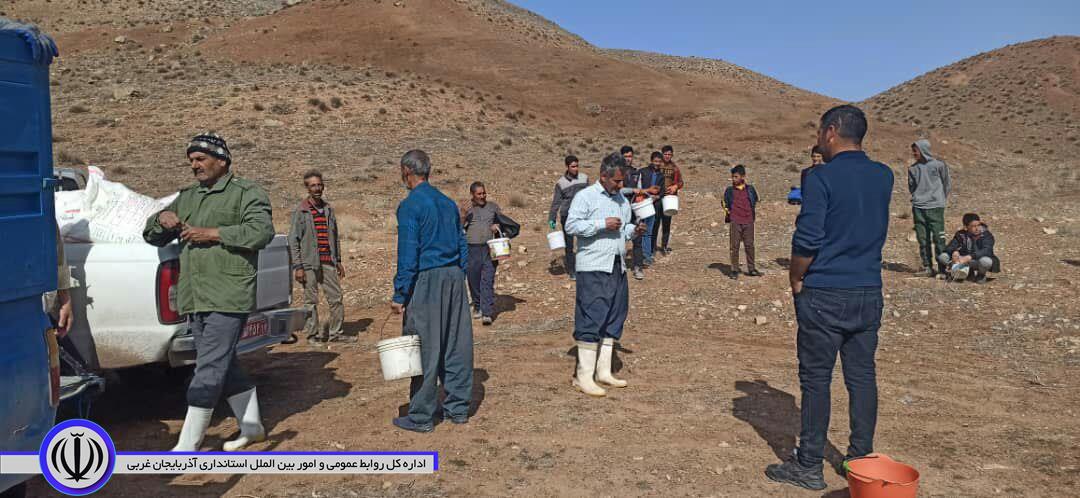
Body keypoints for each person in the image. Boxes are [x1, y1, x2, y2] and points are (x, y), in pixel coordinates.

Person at [766, 105, 894, 491]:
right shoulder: (884, 175)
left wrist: (795, 276)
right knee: (862, 376)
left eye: (821, 131)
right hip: (868, 290)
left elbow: (808, 237)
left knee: (816, 379)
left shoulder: (820, 178)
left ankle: (808, 465)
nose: (819, 138)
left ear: (833, 131)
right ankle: (859, 458)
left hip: (825, 291)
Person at [143, 133, 275, 452]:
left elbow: (262, 231)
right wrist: (161, 219)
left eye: (201, 159)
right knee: (222, 363)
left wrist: (214, 234)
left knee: (208, 367)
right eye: (191, 160)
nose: (195, 165)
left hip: (229, 293)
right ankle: (252, 427)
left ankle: (188, 444)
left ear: (222, 160)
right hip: (196, 296)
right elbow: (151, 234)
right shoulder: (187, 196)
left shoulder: (247, 193)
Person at [391, 149, 474, 433]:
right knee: (456, 343)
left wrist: (400, 293)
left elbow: (408, 254)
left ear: (406, 171)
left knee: (425, 345)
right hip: (454, 278)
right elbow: (462, 244)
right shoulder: (448, 203)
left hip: (427, 279)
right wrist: (458, 274)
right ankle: (458, 409)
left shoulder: (411, 205)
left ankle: (421, 416)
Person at [565, 152, 646, 397]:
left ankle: (603, 372)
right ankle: (583, 376)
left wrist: (634, 230)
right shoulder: (585, 197)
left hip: (617, 265)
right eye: (617, 181)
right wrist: (601, 224)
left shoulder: (621, 200)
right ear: (603, 176)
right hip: (593, 267)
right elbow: (571, 225)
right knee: (591, 315)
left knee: (614, 316)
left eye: (623, 181)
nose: (621, 186)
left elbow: (623, 229)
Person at [288, 170, 348, 344]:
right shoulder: (302, 211)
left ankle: (336, 333)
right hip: (309, 263)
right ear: (307, 188)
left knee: (336, 298)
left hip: (328, 261)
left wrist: (338, 261)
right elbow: (294, 240)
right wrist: (297, 267)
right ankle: (312, 335)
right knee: (310, 301)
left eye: (319, 184)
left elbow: (334, 237)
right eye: (313, 185)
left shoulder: (328, 209)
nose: (317, 188)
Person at [461, 181, 503, 325]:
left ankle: (487, 312)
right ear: (472, 194)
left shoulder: (493, 208)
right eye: (479, 194)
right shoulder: (467, 210)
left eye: (484, 193)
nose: (483, 196)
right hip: (471, 249)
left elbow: (503, 223)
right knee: (473, 279)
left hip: (489, 248)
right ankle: (478, 305)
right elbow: (457, 229)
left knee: (488, 279)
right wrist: (462, 215)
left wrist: (497, 226)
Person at [908, 139, 951, 277]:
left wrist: (940, 199)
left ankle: (943, 269)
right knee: (923, 238)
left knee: (939, 239)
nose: (914, 153)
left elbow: (946, 184)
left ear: (924, 149)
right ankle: (928, 267)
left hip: (936, 207)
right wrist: (918, 198)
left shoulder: (939, 165)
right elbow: (912, 187)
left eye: (916, 150)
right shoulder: (912, 169)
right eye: (913, 150)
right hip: (918, 207)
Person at [548, 155, 589, 280]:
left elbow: (590, 195)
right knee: (569, 244)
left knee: (585, 241)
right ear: (567, 167)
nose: (576, 169)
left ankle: (585, 267)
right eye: (573, 166)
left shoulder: (584, 178)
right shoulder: (561, 183)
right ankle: (572, 270)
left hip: (583, 215)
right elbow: (556, 202)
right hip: (567, 216)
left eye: (577, 166)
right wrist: (552, 218)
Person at [627, 151, 664, 279]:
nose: (657, 163)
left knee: (648, 231)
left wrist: (657, 197)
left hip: (653, 206)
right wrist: (645, 195)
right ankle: (639, 257)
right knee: (639, 231)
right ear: (651, 160)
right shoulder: (642, 172)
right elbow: (639, 188)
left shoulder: (661, 175)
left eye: (659, 161)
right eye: (655, 161)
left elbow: (662, 190)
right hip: (641, 205)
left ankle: (647, 256)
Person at [721, 164, 762, 279]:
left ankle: (751, 269)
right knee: (734, 246)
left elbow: (755, 200)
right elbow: (724, 202)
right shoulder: (729, 191)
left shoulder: (750, 189)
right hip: (735, 221)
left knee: (749, 245)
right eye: (733, 177)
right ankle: (734, 269)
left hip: (748, 221)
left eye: (736, 177)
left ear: (743, 177)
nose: (733, 179)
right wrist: (728, 212)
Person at [938, 213, 1000, 284]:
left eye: (978, 225)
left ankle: (981, 275)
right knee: (943, 257)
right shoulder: (961, 234)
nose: (977, 228)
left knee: (986, 261)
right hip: (962, 260)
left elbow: (986, 250)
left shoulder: (986, 235)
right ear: (966, 227)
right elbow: (950, 246)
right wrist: (954, 251)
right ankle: (965, 272)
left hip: (976, 261)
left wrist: (969, 257)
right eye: (973, 226)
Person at [653, 145, 684, 255]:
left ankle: (664, 246)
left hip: (669, 199)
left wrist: (675, 187)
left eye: (669, 154)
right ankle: (652, 247)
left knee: (666, 223)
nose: (667, 156)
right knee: (655, 222)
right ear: (662, 154)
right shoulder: (656, 165)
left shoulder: (674, 167)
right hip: (657, 198)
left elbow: (681, 182)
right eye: (665, 154)